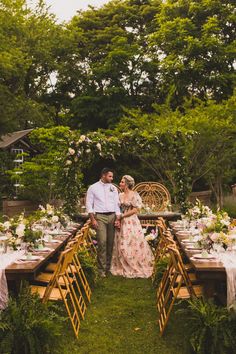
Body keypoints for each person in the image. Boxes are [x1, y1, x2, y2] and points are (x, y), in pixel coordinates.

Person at [111, 175, 154, 278]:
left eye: (122, 182)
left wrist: (123, 216)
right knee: (121, 242)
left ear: (126, 184)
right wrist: (118, 218)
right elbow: (117, 208)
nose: (120, 183)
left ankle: (134, 263)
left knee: (132, 242)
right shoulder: (120, 195)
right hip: (121, 221)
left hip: (131, 221)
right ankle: (122, 264)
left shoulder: (134, 195)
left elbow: (135, 210)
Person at [86, 168, 121, 277]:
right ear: (103, 175)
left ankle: (108, 268)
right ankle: (101, 270)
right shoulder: (93, 188)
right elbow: (88, 204)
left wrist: (118, 218)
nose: (112, 178)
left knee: (110, 243)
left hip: (112, 216)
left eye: (112, 176)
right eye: (110, 176)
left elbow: (117, 205)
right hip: (100, 217)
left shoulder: (113, 188)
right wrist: (93, 219)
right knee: (102, 242)